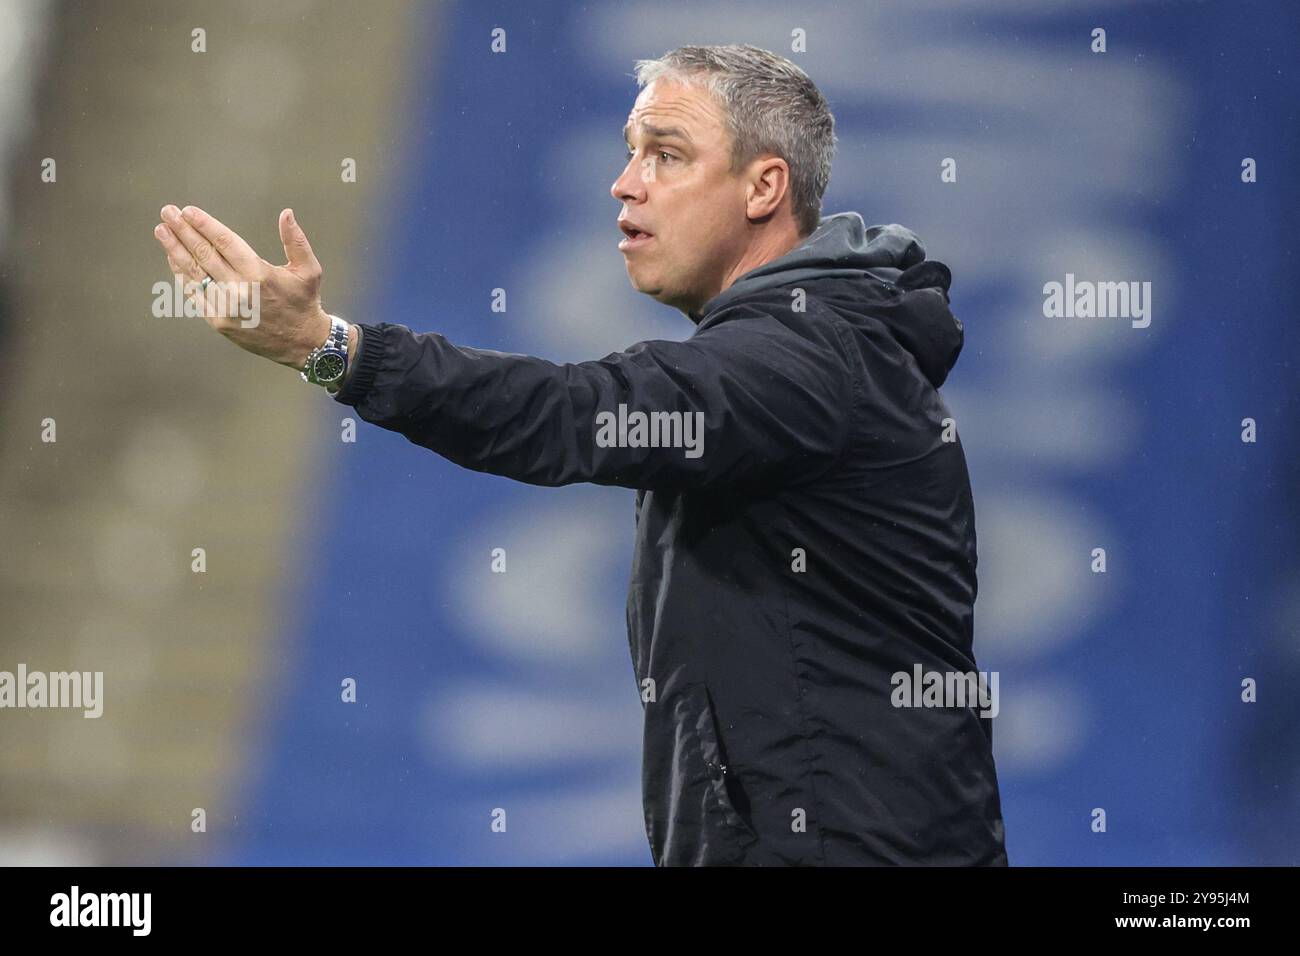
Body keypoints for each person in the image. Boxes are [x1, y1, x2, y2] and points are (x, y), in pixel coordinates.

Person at [152, 43, 1007, 866]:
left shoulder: (800, 360)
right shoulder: (815, 345)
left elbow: (571, 413)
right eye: (631, 151)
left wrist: (325, 345)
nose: (626, 183)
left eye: (667, 155)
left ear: (765, 186)